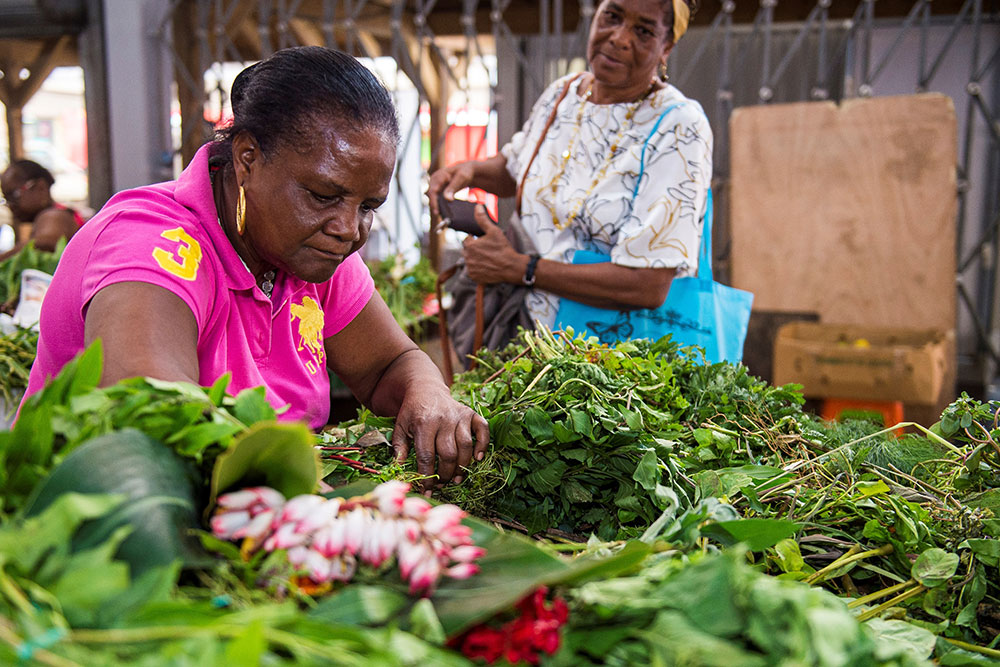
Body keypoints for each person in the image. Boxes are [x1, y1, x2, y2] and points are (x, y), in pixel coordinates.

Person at [22, 46, 488, 489]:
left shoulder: (311, 249)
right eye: (324, 196)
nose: (349, 229)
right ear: (247, 159)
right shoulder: (152, 247)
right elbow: (160, 429)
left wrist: (428, 391)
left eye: (368, 206)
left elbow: (388, 365)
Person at [428, 0, 711, 340]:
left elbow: (647, 286)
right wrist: (469, 172)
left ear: (666, 47)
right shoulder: (563, 94)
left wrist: (520, 268)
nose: (619, 38)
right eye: (613, 16)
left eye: (643, 31)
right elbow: (516, 171)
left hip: (613, 361)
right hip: (526, 334)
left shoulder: (679, 126)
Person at [0, 159, 84, 259]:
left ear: (41, 187)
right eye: (6, 199)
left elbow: (47, 242)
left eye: (14, 195)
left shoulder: (53, 215)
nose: (10, 205)